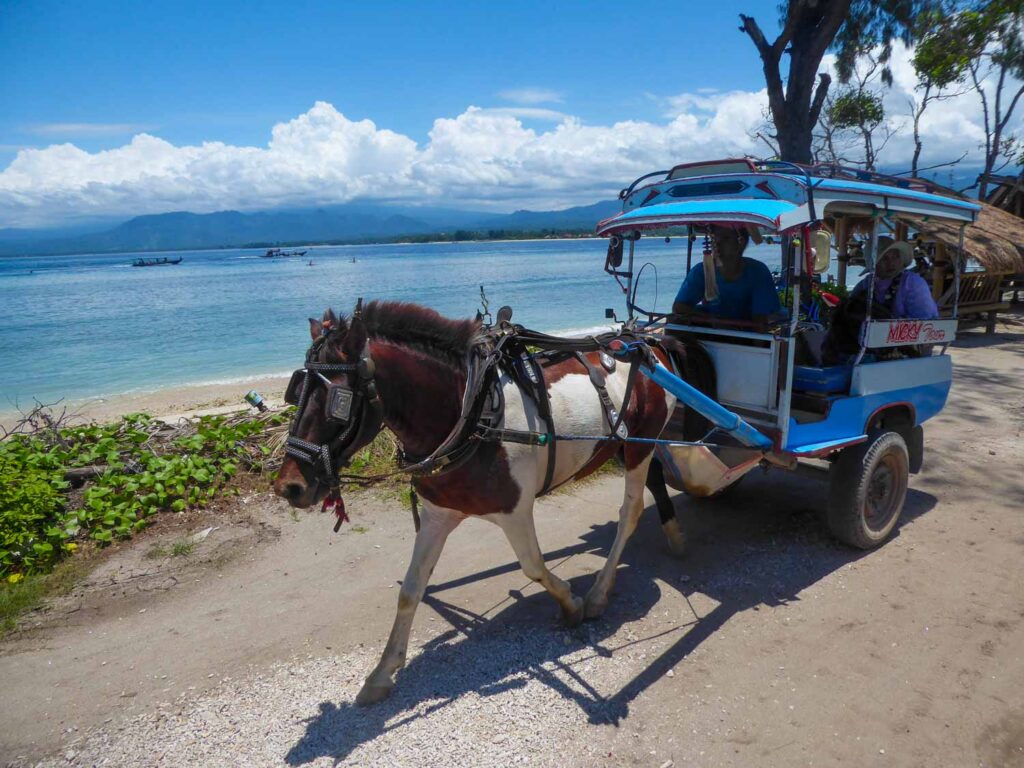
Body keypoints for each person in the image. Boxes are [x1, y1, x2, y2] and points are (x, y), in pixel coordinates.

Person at [672, 224, 781, 324]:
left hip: (745, 334)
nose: (717, 242)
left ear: (741, 243)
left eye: (725, 238)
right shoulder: (702, 270)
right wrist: (713, 320)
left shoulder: (758, 272)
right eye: (714, 237)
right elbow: (679, 307)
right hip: (711, 332)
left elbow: (760, 320)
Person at [852, 240, 938, 319]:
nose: (891, 263)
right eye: (884, 258)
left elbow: (924, 320)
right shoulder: (865, 284)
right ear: (874, 264)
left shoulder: (911, 282)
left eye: (895, 257)